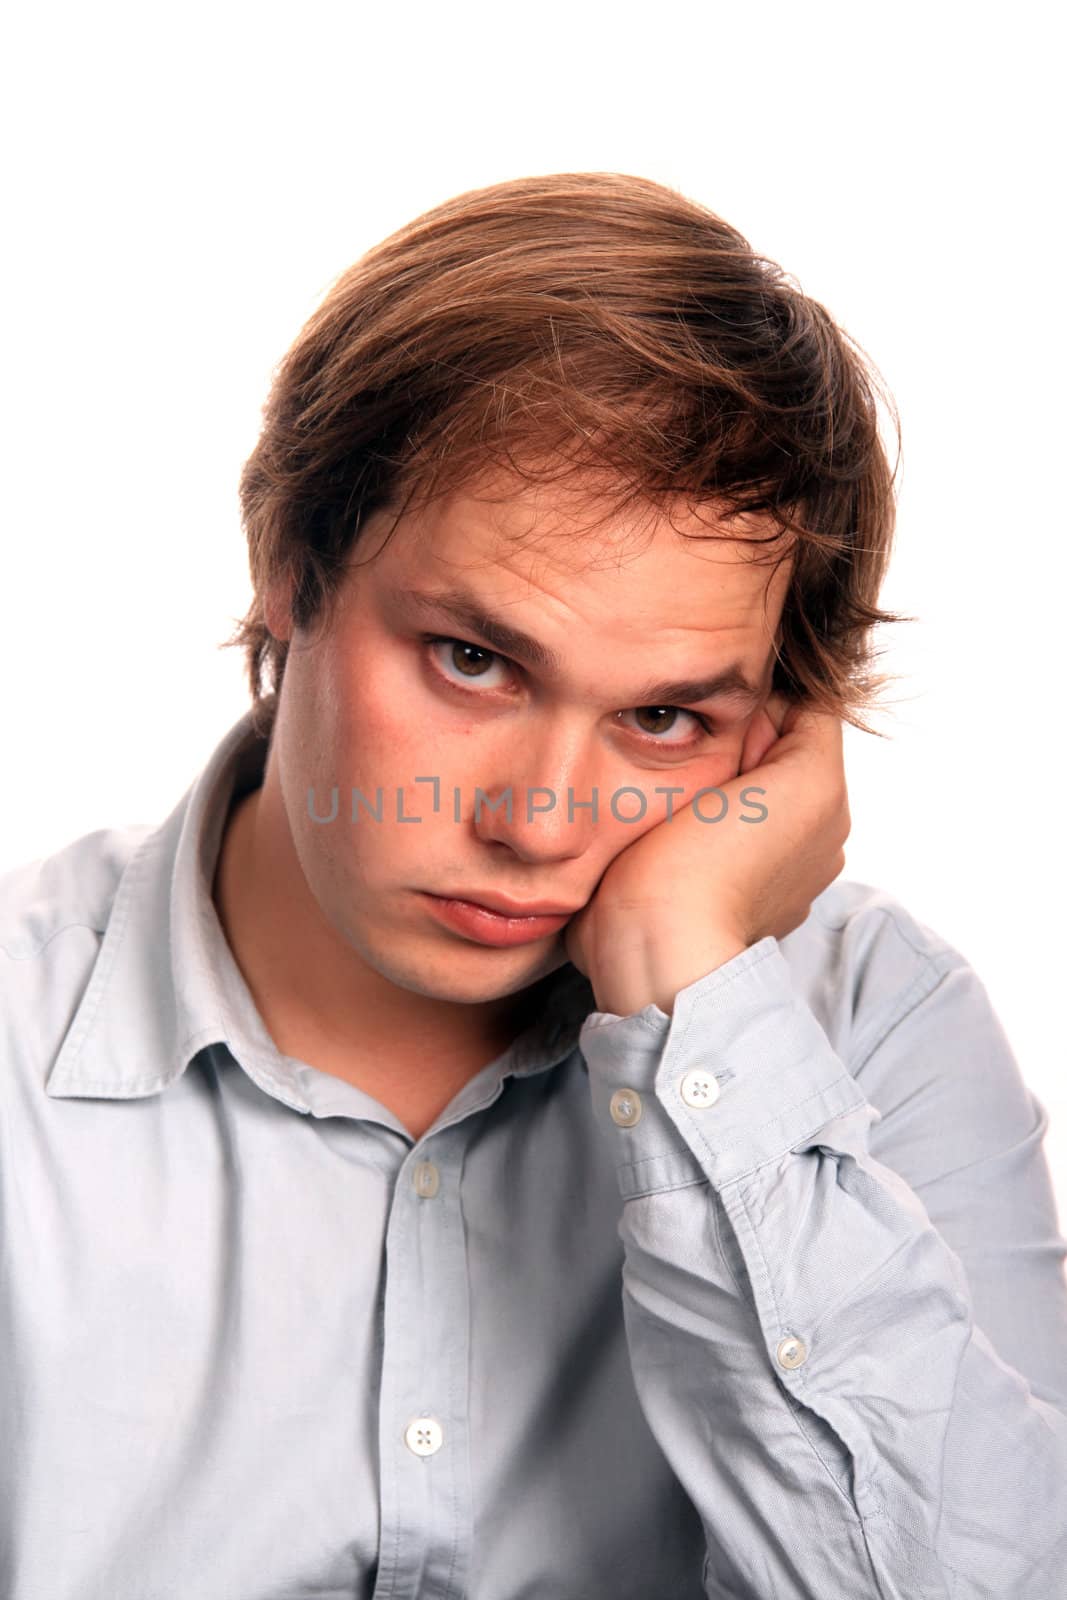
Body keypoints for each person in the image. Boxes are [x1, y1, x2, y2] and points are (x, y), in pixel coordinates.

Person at [2, 173, 1064, 1600]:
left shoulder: (873, 1029)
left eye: (666, 718)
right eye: (474, 660)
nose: (540, 821)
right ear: (290, 568)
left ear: (777, 728)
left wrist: (691, 973)